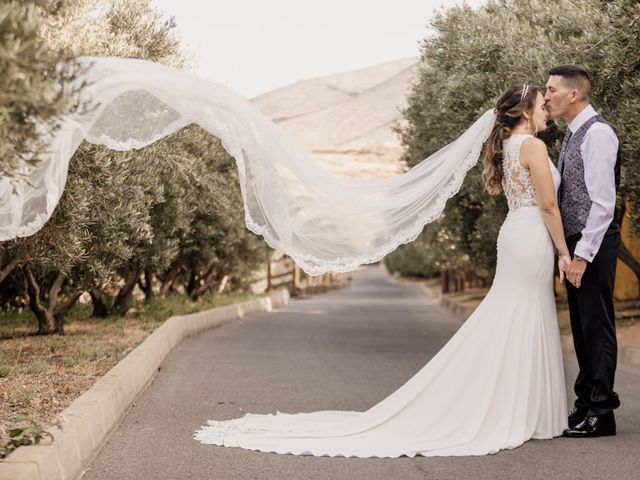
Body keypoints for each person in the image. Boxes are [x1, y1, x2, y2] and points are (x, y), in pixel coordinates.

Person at [191, 84, 572, 457]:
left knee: (516, 315)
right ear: (524, 112)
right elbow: (549, 206)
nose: (546, 113)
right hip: (531, 238)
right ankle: (523, 411)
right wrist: (564, 252)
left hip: (517, 236)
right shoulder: (533, 145)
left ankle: (520, 408)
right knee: (521, 314)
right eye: (541, 106)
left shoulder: (508, 146)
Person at [544, 64, 621, 438]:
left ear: (573, 94)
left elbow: (603, 204)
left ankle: (601, 412)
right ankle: (585, 404)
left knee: (597, 326)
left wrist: (581, 256)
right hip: (578, 242)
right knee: (581, 327)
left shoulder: (598, 134)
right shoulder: (573, 135)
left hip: (593, 242)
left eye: (552, 89)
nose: (546, 97)